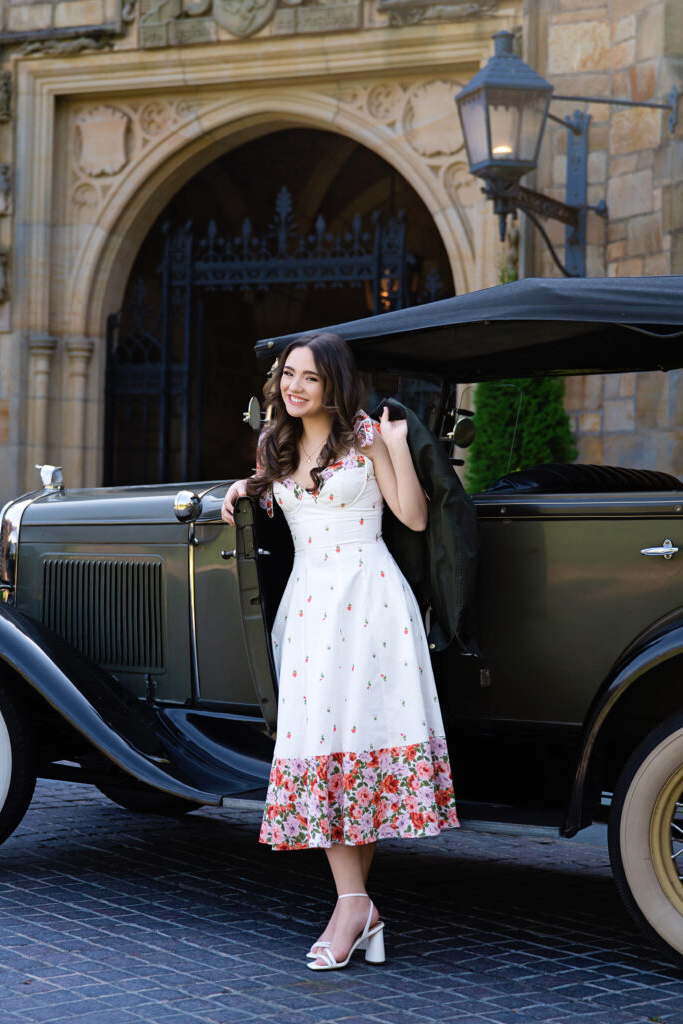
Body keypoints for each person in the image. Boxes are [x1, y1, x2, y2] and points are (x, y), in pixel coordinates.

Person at [221, 332, 458, 971]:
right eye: (288, 375)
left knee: (360, 748)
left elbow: (411, 517)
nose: (295, 387)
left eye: (309, 378)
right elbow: (276, 491)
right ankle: (358, 906)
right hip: (310, 610)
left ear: (334, 384)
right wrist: (243, 489)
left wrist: (398, 449)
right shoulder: (280, 444)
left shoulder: (365, 436)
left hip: (370, 600)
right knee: (326, 748)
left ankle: (352, 907)